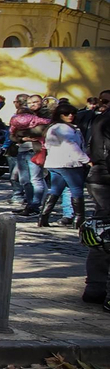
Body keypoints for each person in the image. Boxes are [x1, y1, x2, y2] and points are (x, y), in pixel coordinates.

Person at [39, 103, 90, 228]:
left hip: (56, 163)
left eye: (73, 113)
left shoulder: (56, 127)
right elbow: (71, 145)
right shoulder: (63, 128)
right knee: (76, 190)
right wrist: (85, 159)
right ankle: (79, 219)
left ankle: (44, 217)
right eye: (66, 114)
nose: (70, 116)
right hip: (69, 163)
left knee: (56, 190)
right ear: (59, 115)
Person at [83, 111, 110, 310]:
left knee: (102, 233)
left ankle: (96, 287)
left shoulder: (102, 118)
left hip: (100, 176)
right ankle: (97, 288)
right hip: (104, 177)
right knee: (104, 234)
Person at [8, 94, 50, 217]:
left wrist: (21, 132)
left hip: (36, 150)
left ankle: (36, 205)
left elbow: (41, 130)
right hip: (22, 149)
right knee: (24, 179)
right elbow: (11, 134)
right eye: (30, 103)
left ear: (42, 102)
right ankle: (30, 204)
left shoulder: (46, 115)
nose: (33, 105)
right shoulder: (22, 116)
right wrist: (20, 137)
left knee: (36, 179)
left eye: (36, 102)